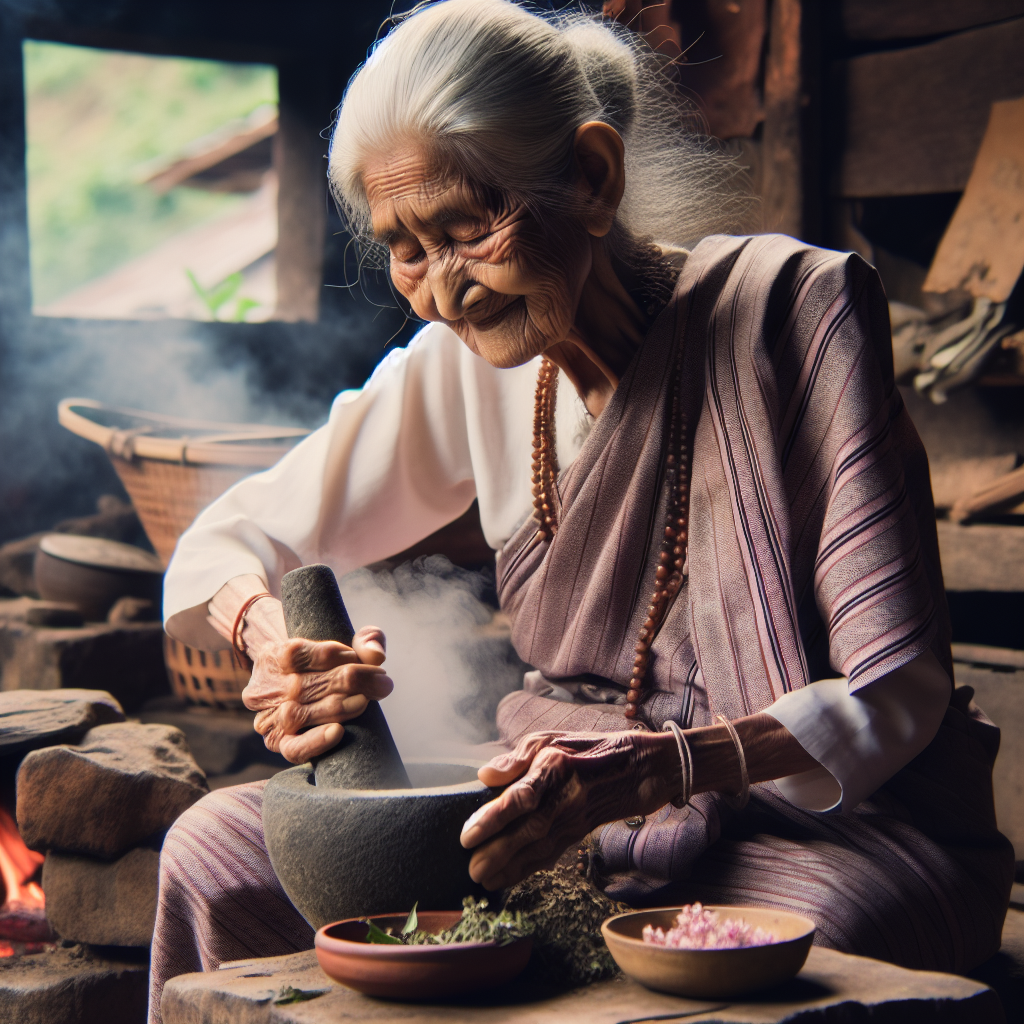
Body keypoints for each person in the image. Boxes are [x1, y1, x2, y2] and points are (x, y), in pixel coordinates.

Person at [151, 1, 1013, 1018]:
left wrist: (662, 768)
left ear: (593, 179)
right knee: (213, 850)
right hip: (558, 827)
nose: (441, 292)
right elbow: (224, 537)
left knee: (773, 951)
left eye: (467, 228)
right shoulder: (460, 369)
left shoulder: (798, 314)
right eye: (405, 247)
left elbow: (898, 689)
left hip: (818, 827)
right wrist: (265, 638)